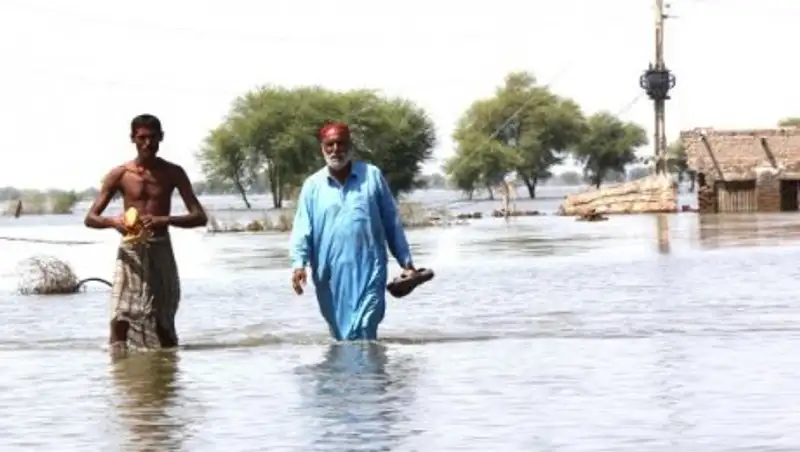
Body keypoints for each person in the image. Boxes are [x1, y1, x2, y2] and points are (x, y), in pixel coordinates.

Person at [84, 114, 207, 354]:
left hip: (161, 245)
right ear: (133, 139)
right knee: (121, 313)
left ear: (161, 138)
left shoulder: (173, 173)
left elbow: (199, 216)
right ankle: (119, 369)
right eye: (142, 138)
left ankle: (165, 372)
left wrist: (164, 220)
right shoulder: (120, 174)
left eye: (152, 138)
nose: (148, 143)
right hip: (131, 249)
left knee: (163, 316)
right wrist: (113, 222)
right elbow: (90, 218)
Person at [290, 122, 417, 341]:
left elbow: (391, 222)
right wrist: (298, 264)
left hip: (370, 269)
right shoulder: (312, 186)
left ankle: (369, 376)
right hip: (328, 275)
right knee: (341, 336)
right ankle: (343, 374)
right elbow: (302, 228)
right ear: (322, 148)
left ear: (350, 146)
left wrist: (406, 263)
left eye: (341, 143)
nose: (336, 149)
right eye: (330, 144)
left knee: (366, 328)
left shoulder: (372, 177)